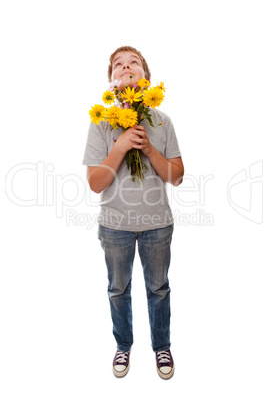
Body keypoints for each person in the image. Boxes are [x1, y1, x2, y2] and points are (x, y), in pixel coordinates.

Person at [82, 46, 184, 379]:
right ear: (112, 82)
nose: (126, 69)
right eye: (119, 66)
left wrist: (148, 148)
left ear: (146, 79)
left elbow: (177, 176)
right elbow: (96, 183)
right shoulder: (101, 124)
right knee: (118, 289)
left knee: (158, 289)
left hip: (157, 224)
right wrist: (121, 146)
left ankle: (162, 346)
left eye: (133, 64)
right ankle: (123, 345)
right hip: (115, 226)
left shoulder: (162, 121)